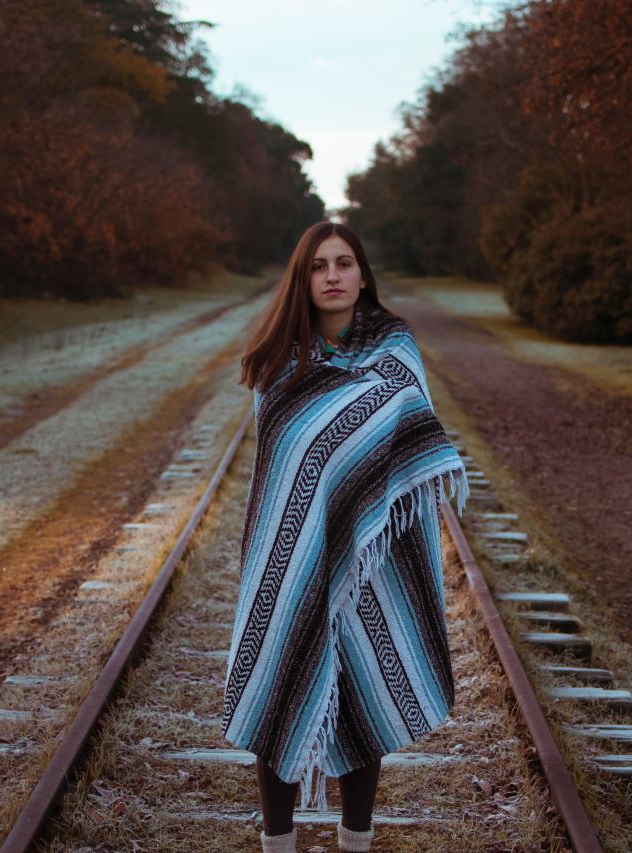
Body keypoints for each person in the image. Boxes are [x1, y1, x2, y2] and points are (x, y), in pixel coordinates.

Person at [222, 221, 468, 852]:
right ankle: (278, 843)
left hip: (374, 551)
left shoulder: (396, 347)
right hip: (292, 547)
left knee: (367, 679)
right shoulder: (282, 364)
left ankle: (355, 840)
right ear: (302, 278)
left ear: (363, 275)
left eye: (345, 263)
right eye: (318, 266)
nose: (332, 275)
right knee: (281, 670)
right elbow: (283, 465)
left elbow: (407, 421)